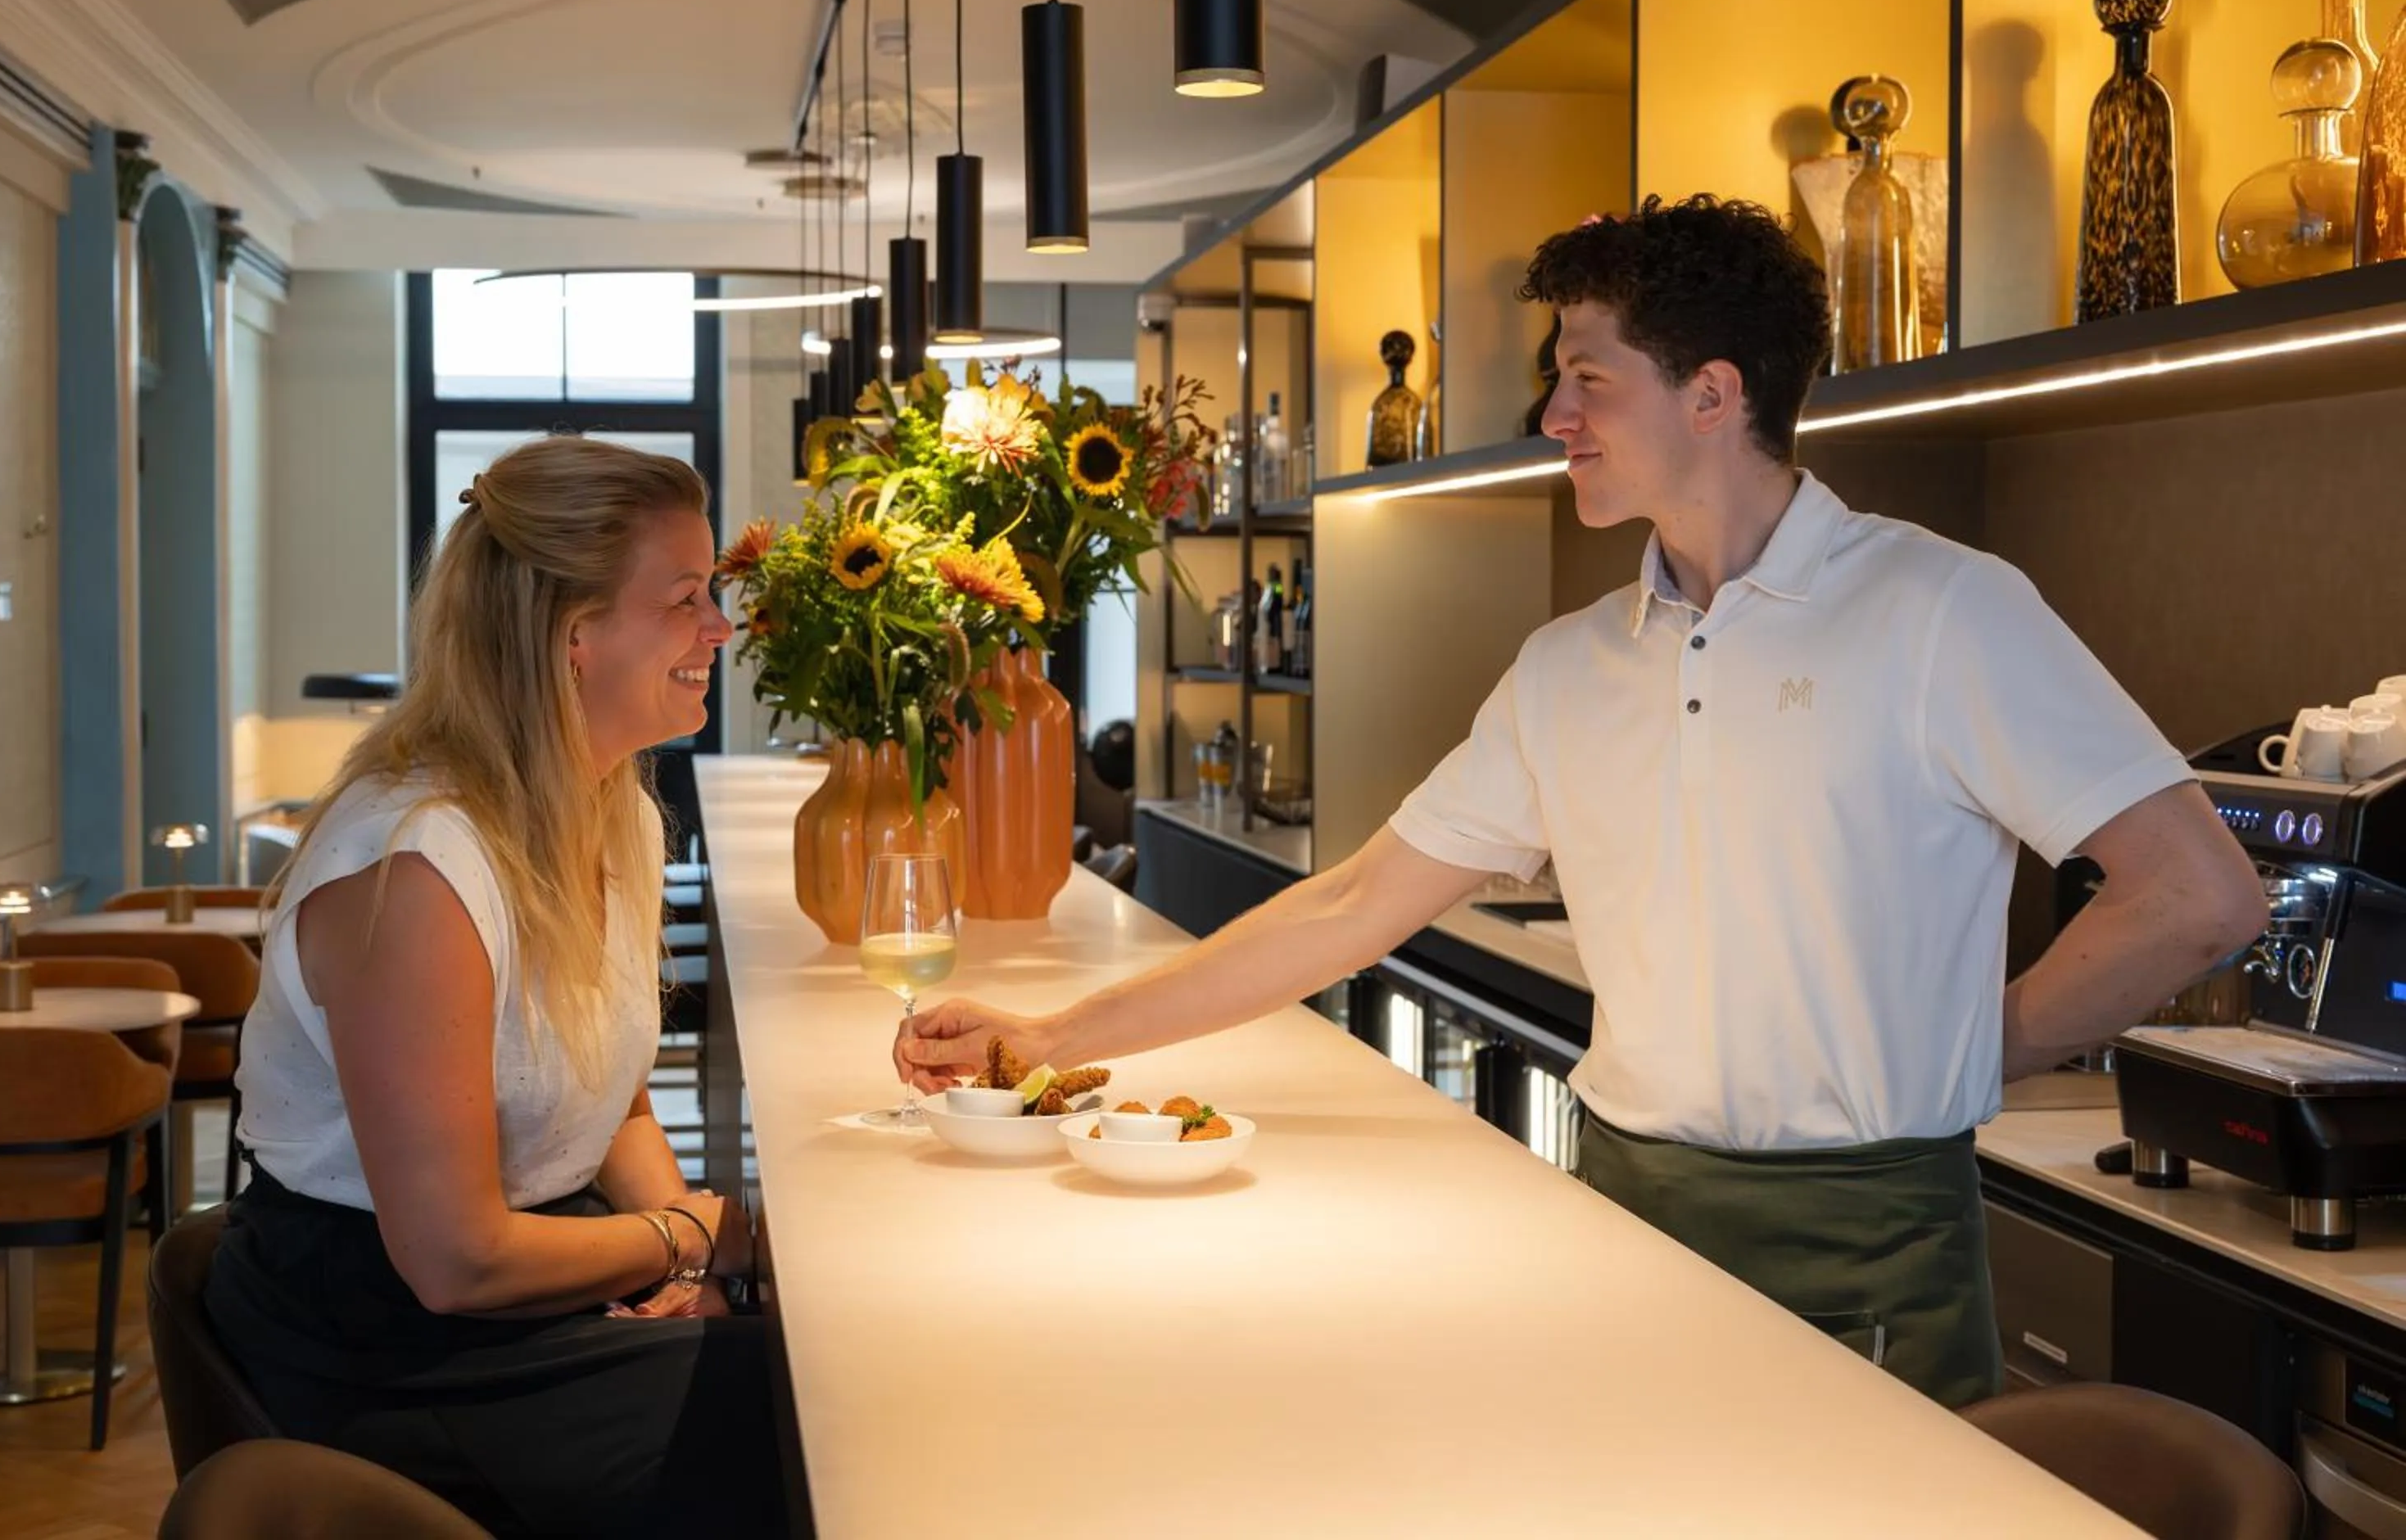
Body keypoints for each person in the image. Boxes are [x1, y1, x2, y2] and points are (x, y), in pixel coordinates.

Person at [898, 196, 2268, 1407]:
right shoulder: (1569, 667)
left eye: (1586, 380)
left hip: (1875, 1253)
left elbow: (2198, 893)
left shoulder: (1944, 612)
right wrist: (1054, 1036)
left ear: (1713, 394)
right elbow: (1358, 903)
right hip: (1618, 1219)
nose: (1554, 418)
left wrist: (1984, 1044)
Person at [207, 436, 775, 1537]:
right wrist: (693, 1238)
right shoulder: (415, 869)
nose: (720, 629)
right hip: (383, 1347)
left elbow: (607, 1085)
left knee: (795, 1371)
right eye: (687, 598)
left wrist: (680, 1242)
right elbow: (455, 1259)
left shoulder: (604, 807)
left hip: (527, 1282)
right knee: (796, 1430)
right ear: (574, 635)